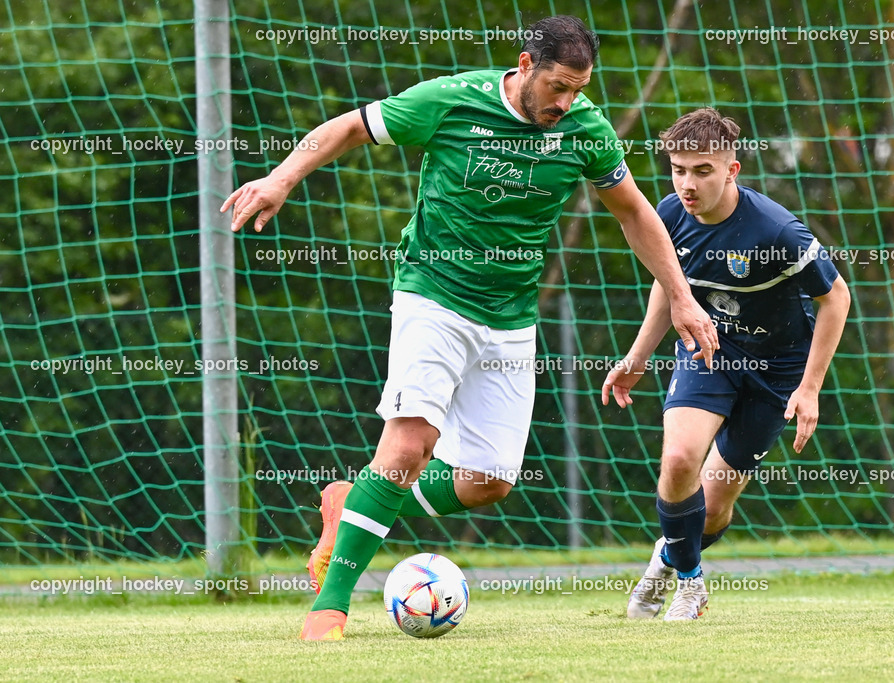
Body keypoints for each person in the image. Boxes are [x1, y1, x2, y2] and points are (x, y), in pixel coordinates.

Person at [222, 15, 719, 640]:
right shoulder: (451, 100)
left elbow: (635, 214)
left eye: (578, 89)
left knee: (487, 484)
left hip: (510, 317)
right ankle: (330, 606)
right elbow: (350, 126)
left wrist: (681, 298)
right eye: (558, 87)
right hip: (433, 294)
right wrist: (279, 179)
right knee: (408, 447)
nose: (566, 103)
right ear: (525, 66)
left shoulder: (585, 129)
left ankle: (351, 502)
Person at [601, 107, 850, 621]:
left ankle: (665, 560)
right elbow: (670, 285)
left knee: (712, 509)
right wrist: (637, 357)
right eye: (678, 170)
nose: (687, 184)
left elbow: (836, 299)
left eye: (702, 171)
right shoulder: (669, 214)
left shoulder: (777, 231)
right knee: (678, 461)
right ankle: (691, 585)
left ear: (732, 170)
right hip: (708, 350)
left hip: (778, 369)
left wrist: (810, 388)